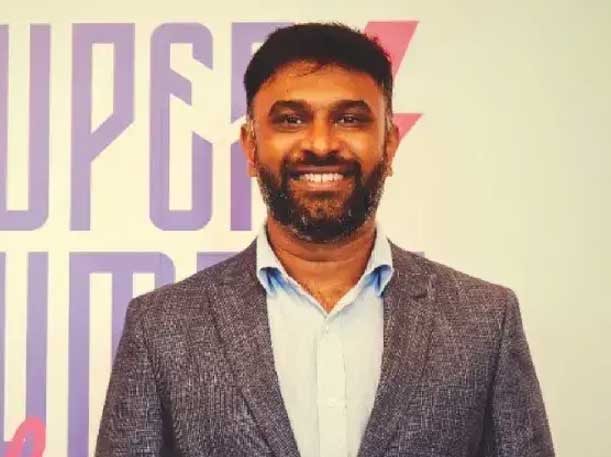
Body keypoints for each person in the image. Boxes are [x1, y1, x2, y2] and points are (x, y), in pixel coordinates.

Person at [95, 22, 555, 457]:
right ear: (251, 147)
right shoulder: (161, 327)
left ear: (389, 145)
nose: (320, 143)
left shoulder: (483, 321)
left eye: (350, 119)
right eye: (291, 120)